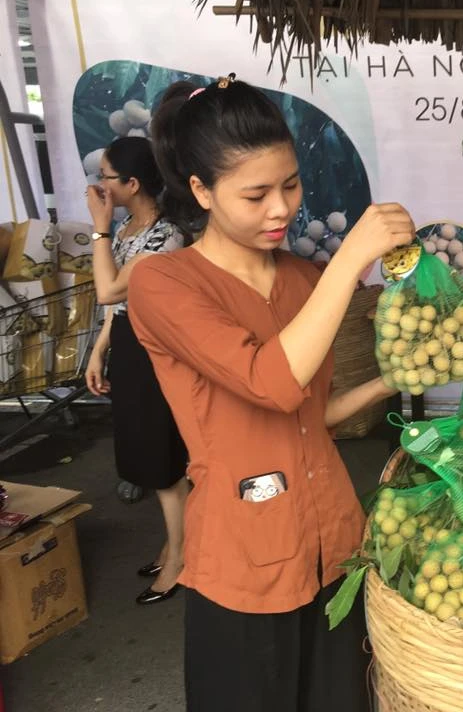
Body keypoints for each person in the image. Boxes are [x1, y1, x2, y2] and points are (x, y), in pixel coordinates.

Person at [127, 75, 414, 711]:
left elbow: (314, 416)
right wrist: (352, 260)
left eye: (290, 185)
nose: (281, 209)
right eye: (256, 194)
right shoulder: (165, 284)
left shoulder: (304, 279)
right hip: (243, 558)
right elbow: (273, 385)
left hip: (334, 543)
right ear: (200, 190)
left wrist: (393, 379)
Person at [84, 136, 190, 606]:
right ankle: (174, 541)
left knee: (163, 463)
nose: (99, 186)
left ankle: (181, 558)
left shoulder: (165, 238)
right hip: (128, 346)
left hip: (156, 354)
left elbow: (108, 290)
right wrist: (99, 349)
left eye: (106, 177)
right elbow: (115, 309)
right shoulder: (126, 229)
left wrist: (98, 229)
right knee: (149, 457)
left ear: (131, 182)